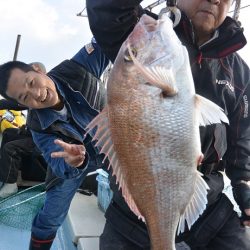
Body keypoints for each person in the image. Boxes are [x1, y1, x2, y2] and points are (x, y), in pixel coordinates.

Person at [86, 0, 250, 249]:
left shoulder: (239, 71)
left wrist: (243, 185)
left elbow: (242, 134)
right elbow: (107, 7)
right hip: (133, 214)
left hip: (211, 204)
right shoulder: (141, 30)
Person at [0, 38, 109, 250]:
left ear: (37, 69)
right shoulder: (37, 125)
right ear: (21, 104)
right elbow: (56, 159)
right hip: (74, 163)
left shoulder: (77, 68)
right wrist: (72, 161)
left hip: (115, 147)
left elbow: (108, 36)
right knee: (50, 217)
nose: (37, 95)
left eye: (31, 83)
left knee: (133, 195)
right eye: (25, 97)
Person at [0, 62, 47, 198]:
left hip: (43, 140)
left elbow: (16, 104)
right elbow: (15, 103)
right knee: (9, 133)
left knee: (10, 148)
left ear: (39, 72)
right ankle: (8, 174)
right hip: (32, 133)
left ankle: (10, 185)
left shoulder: (41, 94)